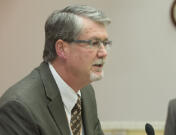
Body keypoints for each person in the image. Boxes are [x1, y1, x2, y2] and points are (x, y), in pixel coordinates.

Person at [0, 5, 111, 135]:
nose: (103, 53)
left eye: (105, 43)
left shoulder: (85, 92)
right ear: (62, 48)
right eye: (94, 43)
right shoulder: (20, 107)